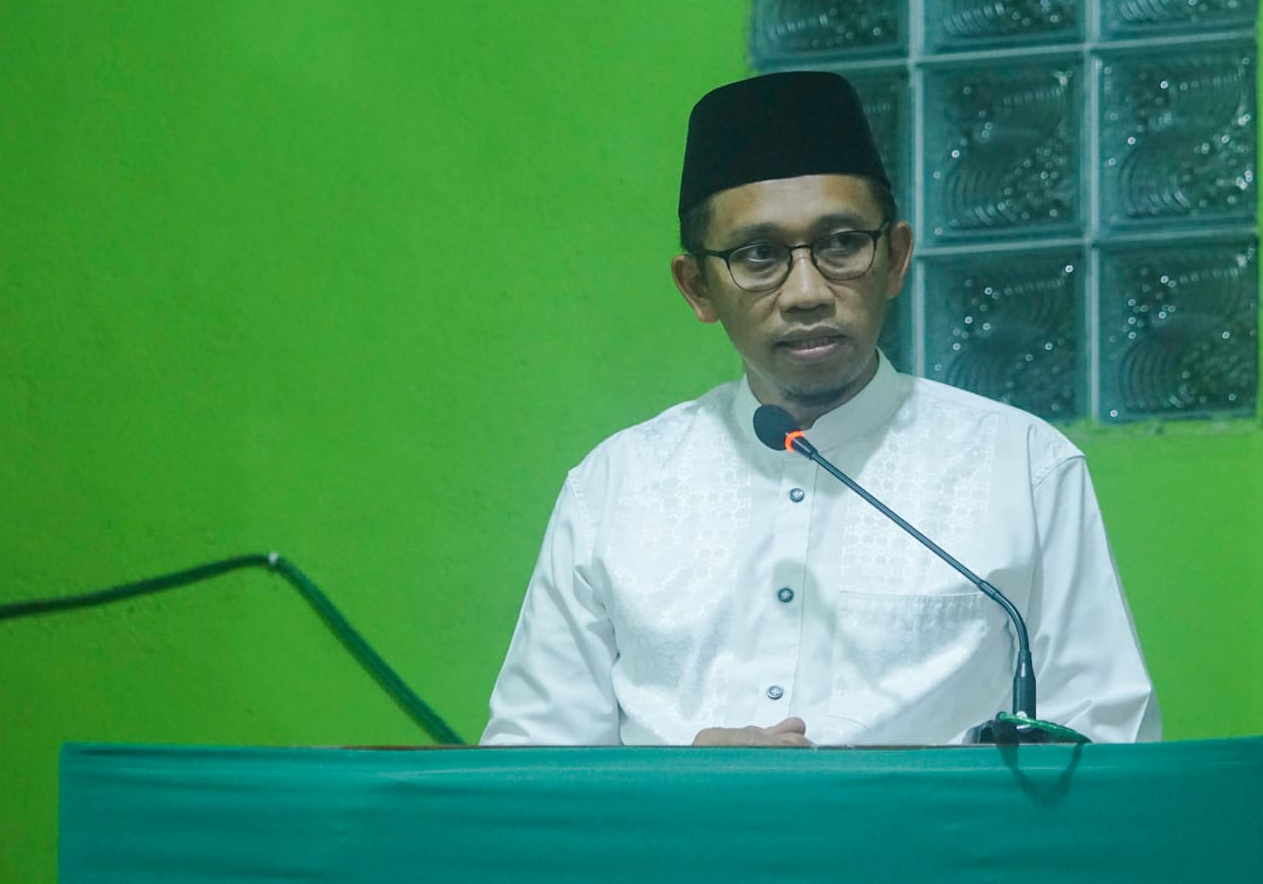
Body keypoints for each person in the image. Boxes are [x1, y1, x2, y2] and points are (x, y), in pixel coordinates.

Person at [481, 71, 1159, 747]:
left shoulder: (1021, 467)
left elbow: (1108, 749)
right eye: (758, 255)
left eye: (840, 244)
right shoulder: (616, 487)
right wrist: (681, 785)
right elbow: (528, 773)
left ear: (895, 258)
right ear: (698, 287)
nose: (806, 292)